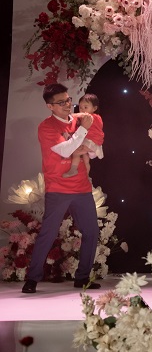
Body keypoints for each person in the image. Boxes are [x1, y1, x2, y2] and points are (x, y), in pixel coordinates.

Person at [22, 84, 101, 293]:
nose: (67, 105)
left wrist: (90, 146)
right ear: (50, 106)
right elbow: (65, 150)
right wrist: (83, 130)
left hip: (81, 186)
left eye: (68, 100)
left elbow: (93, 148)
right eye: (61, 102)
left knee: (91, 231)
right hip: (58, 187)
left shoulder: (78, 119)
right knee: (48, 233)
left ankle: (82, 277)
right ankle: (32, 279)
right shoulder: (46, 127)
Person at [63, 94, 105, 179]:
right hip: (91, 142)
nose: (82, 110)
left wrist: (70, 114)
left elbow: (80, 115)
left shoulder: (93, 116)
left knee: (76, 152)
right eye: (80, 107)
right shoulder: (95, 117)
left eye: (85, 107)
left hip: (92, 142)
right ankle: (87, 176)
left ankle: (73, 169)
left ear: (94, 108)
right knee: (86, 159)